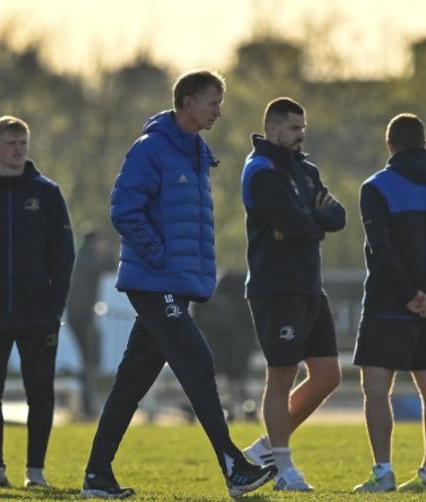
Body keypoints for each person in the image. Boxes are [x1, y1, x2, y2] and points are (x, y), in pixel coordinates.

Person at [80, 70, 276, 499]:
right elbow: (123, 210)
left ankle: (96, 475)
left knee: (131, 383)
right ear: (188, 102)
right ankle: (233, 465)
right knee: (198, 362)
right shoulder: (151, 148)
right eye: (212, 102)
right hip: (156, 282)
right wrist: (159, 255)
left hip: (174, 284)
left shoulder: (196, 151)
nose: (219, 111)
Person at [0, 115, 75, 489]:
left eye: (22, 142)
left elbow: (64, 256)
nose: (17, 149)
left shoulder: (48, 193)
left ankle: (35, 473)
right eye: (10, 143)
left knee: (41, 395)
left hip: (38, 315)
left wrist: (54, 309)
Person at [352, 113, 426, 493]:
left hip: (388, 304)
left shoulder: (376, 188)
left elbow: (381, 249)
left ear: (390, 146)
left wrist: (408, 295)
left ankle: (383, 472)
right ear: (424, 143)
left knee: (376, 388)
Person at [239, 97, 345, 491]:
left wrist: (306, 221)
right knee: (282, 374)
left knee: (328, 375)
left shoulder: (306, 169)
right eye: (295, 128)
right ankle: (283, 470)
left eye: (303, 128)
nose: (302, 135)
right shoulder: (260, 171)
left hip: (309, 285)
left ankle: (267, 447)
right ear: (273, 129)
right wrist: (310, 220)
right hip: (276, 288)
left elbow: (338, 217)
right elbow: (297, 222)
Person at [192, 270, 258, 421]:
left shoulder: (215, 303)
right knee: (235, 381)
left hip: (227, 349)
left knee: (232, 381)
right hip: (234, 347)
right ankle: (242, 409)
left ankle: (236, 409)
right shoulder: (241, 304)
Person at [67, 228, 115, 419]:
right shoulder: (88, 259)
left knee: (88, 358)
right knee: (89, 360)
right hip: (83, 315)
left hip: (77, 315)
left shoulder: (80, 258)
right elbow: (111, 266)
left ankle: (88, 404)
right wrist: (108, 251)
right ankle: (88, 406)